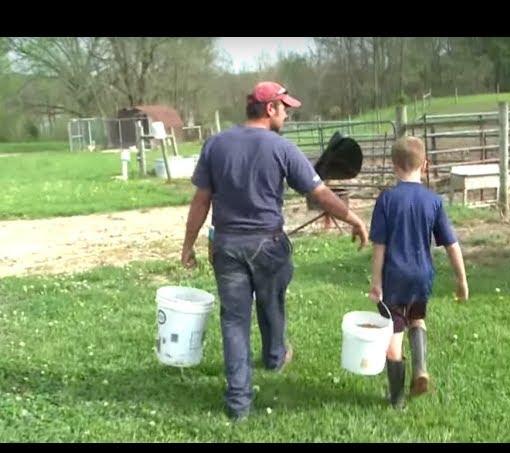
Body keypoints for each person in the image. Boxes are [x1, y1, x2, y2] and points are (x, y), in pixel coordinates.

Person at [180, 81, 369, 421]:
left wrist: (189, 245)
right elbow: (321, 194)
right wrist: (353, 218)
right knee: (271, 304)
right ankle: (274, 356)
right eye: (285, 108)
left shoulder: (216, 144)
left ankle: (238, 405)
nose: (288, 114)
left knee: (234, 322)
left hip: (226, 246)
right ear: (270, 109)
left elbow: (201, 201)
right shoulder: (282, 148)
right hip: (268, 245)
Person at [368, 136, 468, 409]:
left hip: (395, 279)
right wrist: (462, 279)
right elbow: (451, 244)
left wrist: (376, 282)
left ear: (394, 166)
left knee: (394, 336)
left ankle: (397, 399)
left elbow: (379, 246)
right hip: (422, 276)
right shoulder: (433, 201)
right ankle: (421, 367)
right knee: (417, 319)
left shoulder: (386, 200)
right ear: (425, 164)